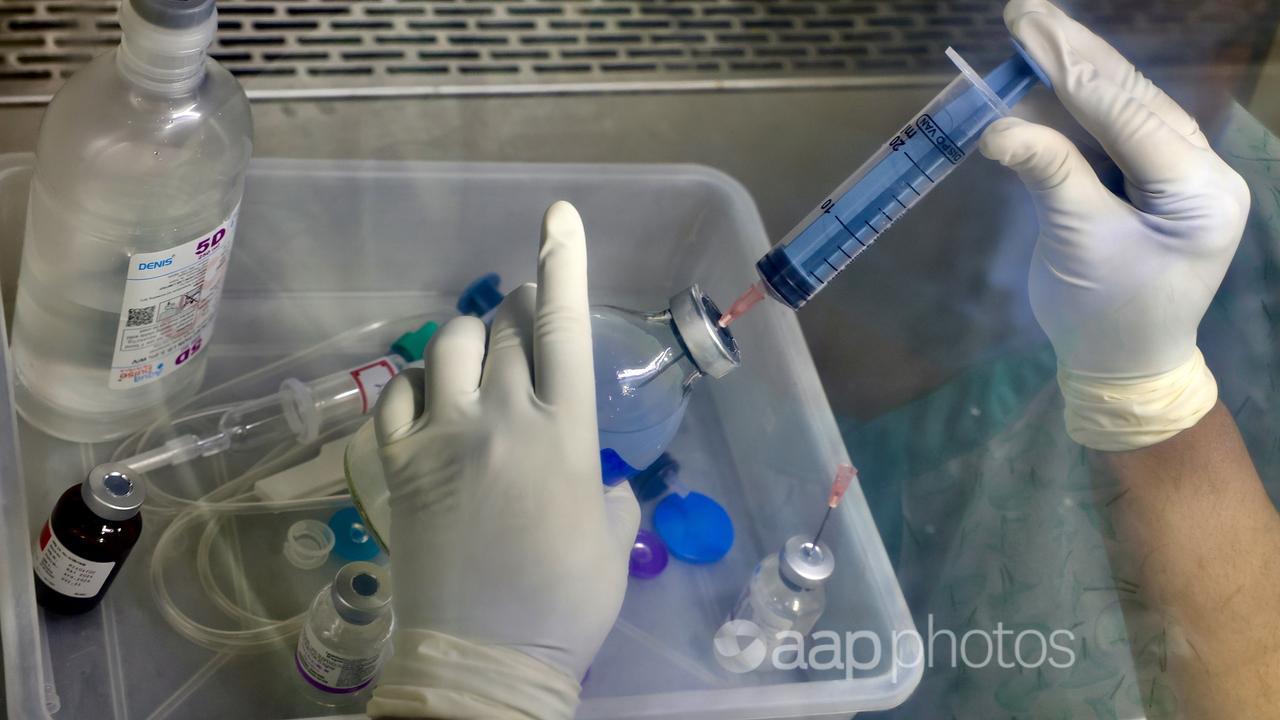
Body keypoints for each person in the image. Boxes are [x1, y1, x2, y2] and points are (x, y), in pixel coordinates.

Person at [360, 1, 1280, 717]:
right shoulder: (856, 144)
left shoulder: (1247, 239)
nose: (1127, 45)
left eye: (1175, 31)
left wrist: (480, 682)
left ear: (1244, 58)